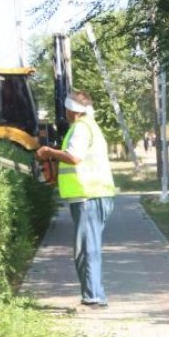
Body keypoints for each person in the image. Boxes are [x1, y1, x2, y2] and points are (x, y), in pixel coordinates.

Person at [37, 90, 117, 308]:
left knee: (87, 248)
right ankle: (94, 294)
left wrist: (48, 152)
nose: (64, 111)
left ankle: (94, 297)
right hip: (94, 195)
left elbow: (74, 157)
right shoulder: (90, 126)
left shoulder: (80, 129)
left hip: (88, 197)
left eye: (66, 108)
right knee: (89, 247)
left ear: (71, 110)